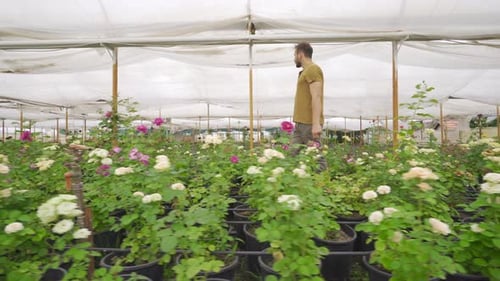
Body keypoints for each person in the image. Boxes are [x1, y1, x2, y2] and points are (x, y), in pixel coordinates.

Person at [291, 42, 327, 170]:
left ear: (300, 54)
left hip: (309, 123)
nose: (294, 57)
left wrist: (316, 124)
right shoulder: (305, 72)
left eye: (295, 54)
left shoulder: (313, 69)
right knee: (293, 155)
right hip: (300, 123)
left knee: (317, 157)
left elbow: (316, 97)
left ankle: (323, 185)